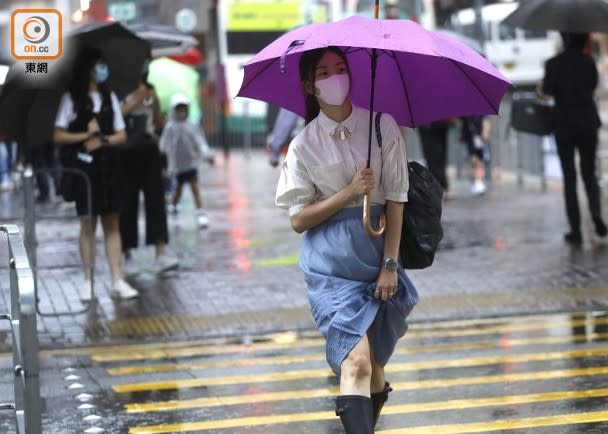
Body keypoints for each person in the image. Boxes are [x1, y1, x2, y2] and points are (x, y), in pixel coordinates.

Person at [275, 47, 418, 433]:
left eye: (341, 68)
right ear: (309, 85)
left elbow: (398, 199)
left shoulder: (381, 127)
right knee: (355, 362)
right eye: (324, 72)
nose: (335, 77)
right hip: (330, 269)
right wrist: (349, 192)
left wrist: (390, 264)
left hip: (376, 260)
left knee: (374, 367)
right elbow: (298, 219)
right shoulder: (303, 145)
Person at [53, 48, 138, 301]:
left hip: (109, 168)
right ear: (87, 68)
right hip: (84, 171)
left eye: (104, 64)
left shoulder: (109, 96)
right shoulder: (72, 99)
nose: (102, 69)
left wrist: (103, 140)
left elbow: (121, 134)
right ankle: (88, 281)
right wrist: (85, 136)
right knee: (87, 224)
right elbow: (57, 135)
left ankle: (116, 279)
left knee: (112, 223)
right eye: (98, 65)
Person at [542, 33, 607, 245]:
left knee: (569, 178)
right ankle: (596, 213)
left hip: (564, 126)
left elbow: (548, 90)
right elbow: (593, 85)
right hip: (588, 123)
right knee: (590, 174)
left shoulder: (553, 63)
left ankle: (575, 229)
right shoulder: (588, 62)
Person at [120, 63, 179, 275]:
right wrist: (137, 97)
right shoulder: (118, 90)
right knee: (127, 203)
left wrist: (153, 103)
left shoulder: (150, 89)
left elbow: (158, 122)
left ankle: (160, 251)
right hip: (125, 152)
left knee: (156, 200)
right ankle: (127, 254)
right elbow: (117, 116)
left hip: (149, 150)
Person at [159, 94, 210, 228]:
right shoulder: (170, 127)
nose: (181, 111)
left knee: (195, 187)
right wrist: (163, 162)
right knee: (179, 189)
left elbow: (199, 142)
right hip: (177, 166)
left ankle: (200, 213)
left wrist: (206, 155)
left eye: (184, 108)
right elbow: (163, 145)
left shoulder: (192, 125)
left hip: (191, 164)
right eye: (178, 108)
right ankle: (174, 205)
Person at [418, 120, 451, 195]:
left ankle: (441, 185)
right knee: (433, 156)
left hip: (440, 123)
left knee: (440, 156)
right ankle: (438, 185)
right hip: (429, 125)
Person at [460, 115, 491, 195]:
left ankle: (478, 181)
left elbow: (486, 119)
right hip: (469, 137)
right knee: (473, 160)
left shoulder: (481, 107)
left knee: (479, 159)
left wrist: (485, 132)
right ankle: (475, 180)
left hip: (479, 136)